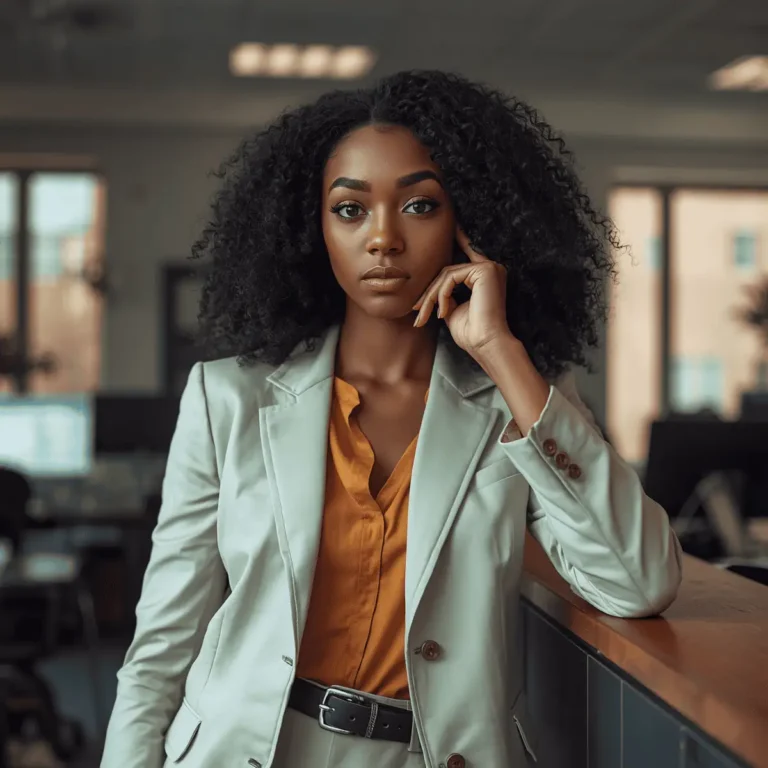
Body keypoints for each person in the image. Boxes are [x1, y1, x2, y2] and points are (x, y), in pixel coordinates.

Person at [101, 70, 682, 768]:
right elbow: (161, 646)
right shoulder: (226, 399)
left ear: (473, 224)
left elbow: (636, 581)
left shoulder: (515, 398)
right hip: (250, 750)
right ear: (311, 227)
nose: (383, 239)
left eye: (419, 206)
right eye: (350, 209)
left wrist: (502, 353)